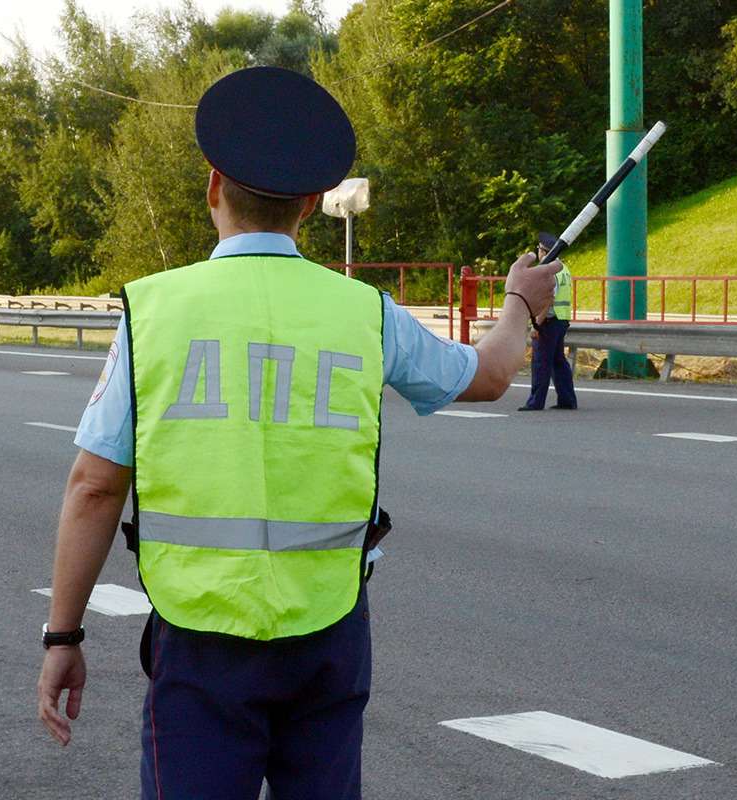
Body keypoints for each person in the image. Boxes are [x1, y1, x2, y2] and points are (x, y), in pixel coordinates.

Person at [35, 66, 562, 800]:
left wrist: (64, 636)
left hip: (201, 628)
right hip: (330, 628)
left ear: (213, 185)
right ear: (313, 205)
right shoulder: (363, 313)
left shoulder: (155, 311)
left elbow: (94, 488)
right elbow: (489, 375)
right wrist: (519, 304)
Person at [519, 231, 577, 410]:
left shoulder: (547, 270)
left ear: (543, 251)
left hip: (549, 321)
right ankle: (567, 400)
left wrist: (536, 323)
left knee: (541, 362)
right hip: (562, 319)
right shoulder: (563, 268)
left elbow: (548, 299)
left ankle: (535, 402)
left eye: (538, 249)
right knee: (558, 361)